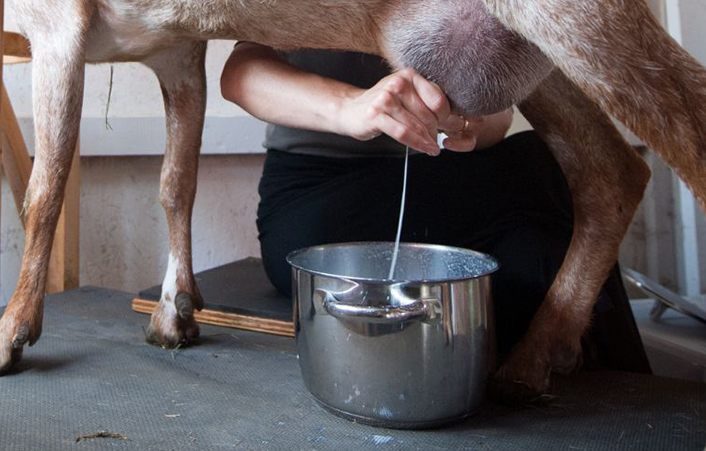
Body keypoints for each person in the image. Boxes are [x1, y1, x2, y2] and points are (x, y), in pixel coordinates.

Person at [220, 43, 649, 369]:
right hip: (317, 203)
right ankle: (633, 392)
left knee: (535, 251)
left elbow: (496, 120)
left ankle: (609, 408)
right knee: (543, 169)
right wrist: (351, 106)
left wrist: (464, 122)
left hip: (439, 193)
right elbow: (239, 74)